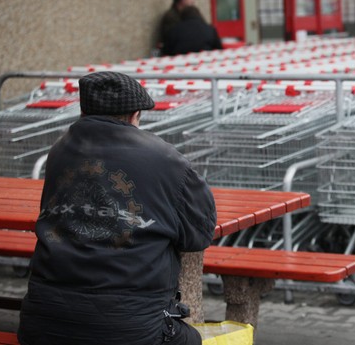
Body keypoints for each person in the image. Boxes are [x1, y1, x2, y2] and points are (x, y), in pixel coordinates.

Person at [17, 71, 217, 345]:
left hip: (40, 325)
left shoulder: (59, 150)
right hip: (129, 330)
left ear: (83, 110)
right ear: (136, 113)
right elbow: (199, 235)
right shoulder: (167, 158)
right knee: (191, 339)